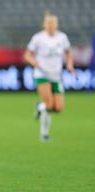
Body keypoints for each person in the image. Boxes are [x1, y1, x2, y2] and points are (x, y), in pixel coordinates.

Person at [24, 12, 74, 141]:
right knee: (50, 104)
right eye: (49, 24)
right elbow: (27, 54)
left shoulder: (62, 37)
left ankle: (40, 107)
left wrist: (69, 64)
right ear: (44, 25)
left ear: (57, 25)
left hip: (56, 75)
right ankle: (44, 134)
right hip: (42, 73)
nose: (51, 26)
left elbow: (68, 52)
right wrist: (33, 61)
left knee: (59, 108)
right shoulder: (38, 38)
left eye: (53, 24)